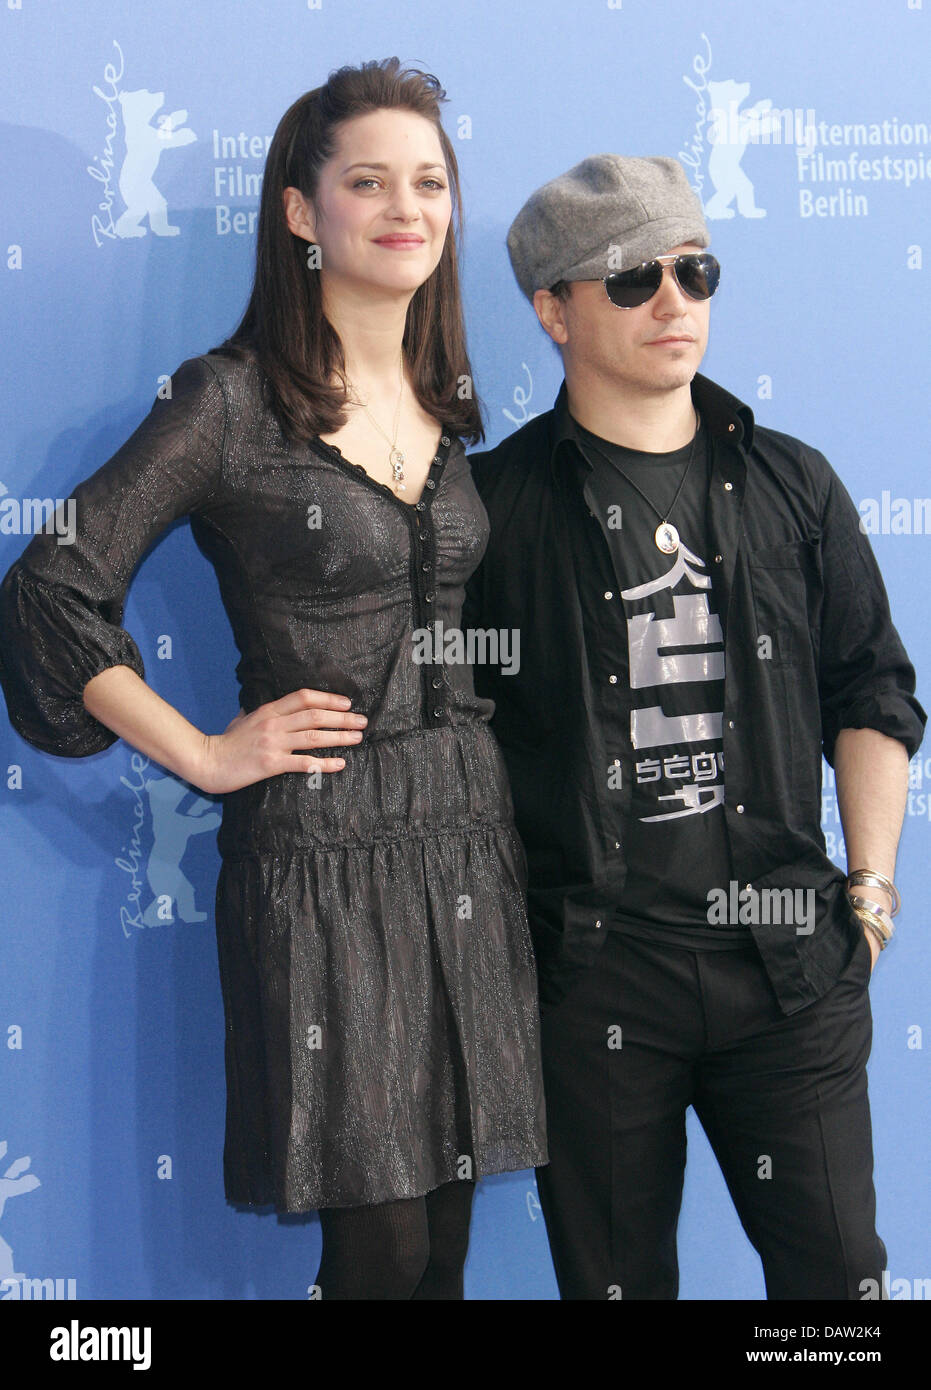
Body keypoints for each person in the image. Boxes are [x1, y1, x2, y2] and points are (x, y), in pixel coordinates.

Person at [0, 58, 546, 1300]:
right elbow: (51, 590)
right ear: (303, 213)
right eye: (368, 182)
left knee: (448, 1240)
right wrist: (202, 753)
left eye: (429, 181)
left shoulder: (448, 406)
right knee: (381, 1246)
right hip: (324, 849)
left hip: (468, 838)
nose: (406, 207)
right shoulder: (228, 400)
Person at [464, 154, 925, 1300]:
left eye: (694, 269)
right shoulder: (490, 509)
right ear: (551, 310)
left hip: (789, 962)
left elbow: (870, 688)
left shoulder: (793, 483)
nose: (673, 300)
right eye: (630, 279)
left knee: (837, 1286)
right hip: (598, 979)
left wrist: (865, 895)